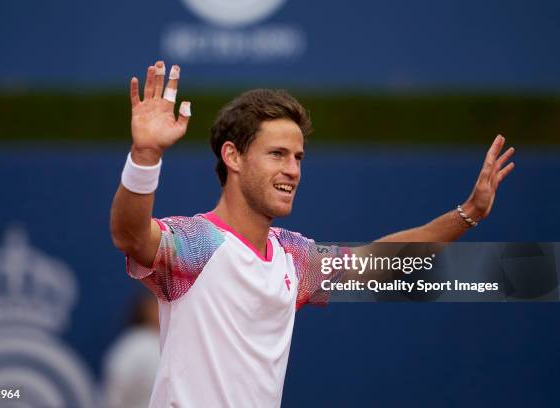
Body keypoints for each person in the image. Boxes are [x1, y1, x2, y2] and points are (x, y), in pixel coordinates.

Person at [109, 60, 515, 407]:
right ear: (232, 156)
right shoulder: (196, 244)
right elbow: (130, 235)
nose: (293, 170)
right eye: (277, 154)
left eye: (298, 157)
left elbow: (380, 263)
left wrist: (468, 213)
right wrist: (145, 157)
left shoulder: (293, 257)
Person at [103, 294, 161, 408]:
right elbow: (116, 387)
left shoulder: (170, 343)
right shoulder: (136, 342)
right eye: (156, 304)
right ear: (146, 310)